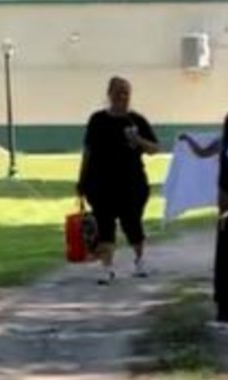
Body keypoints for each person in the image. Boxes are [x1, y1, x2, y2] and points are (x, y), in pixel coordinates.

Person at [78, 76, 160, 285]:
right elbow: (87, 151)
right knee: (104, 224)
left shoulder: (136, 121)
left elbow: (155, 149)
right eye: (118, 92)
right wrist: (81, 180)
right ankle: (107, 268)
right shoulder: (97, 120)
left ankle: (140, 260)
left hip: (131, 182)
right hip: (101, 182)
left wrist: (138, 140)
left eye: (126, 92)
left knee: (132, 222)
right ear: (109, 94)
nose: (122, 97)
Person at [178, 112, 228, 213]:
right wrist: (189, 140)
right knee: (224, 216)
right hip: (225, 182)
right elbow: (202, 153)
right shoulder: (222, 142)